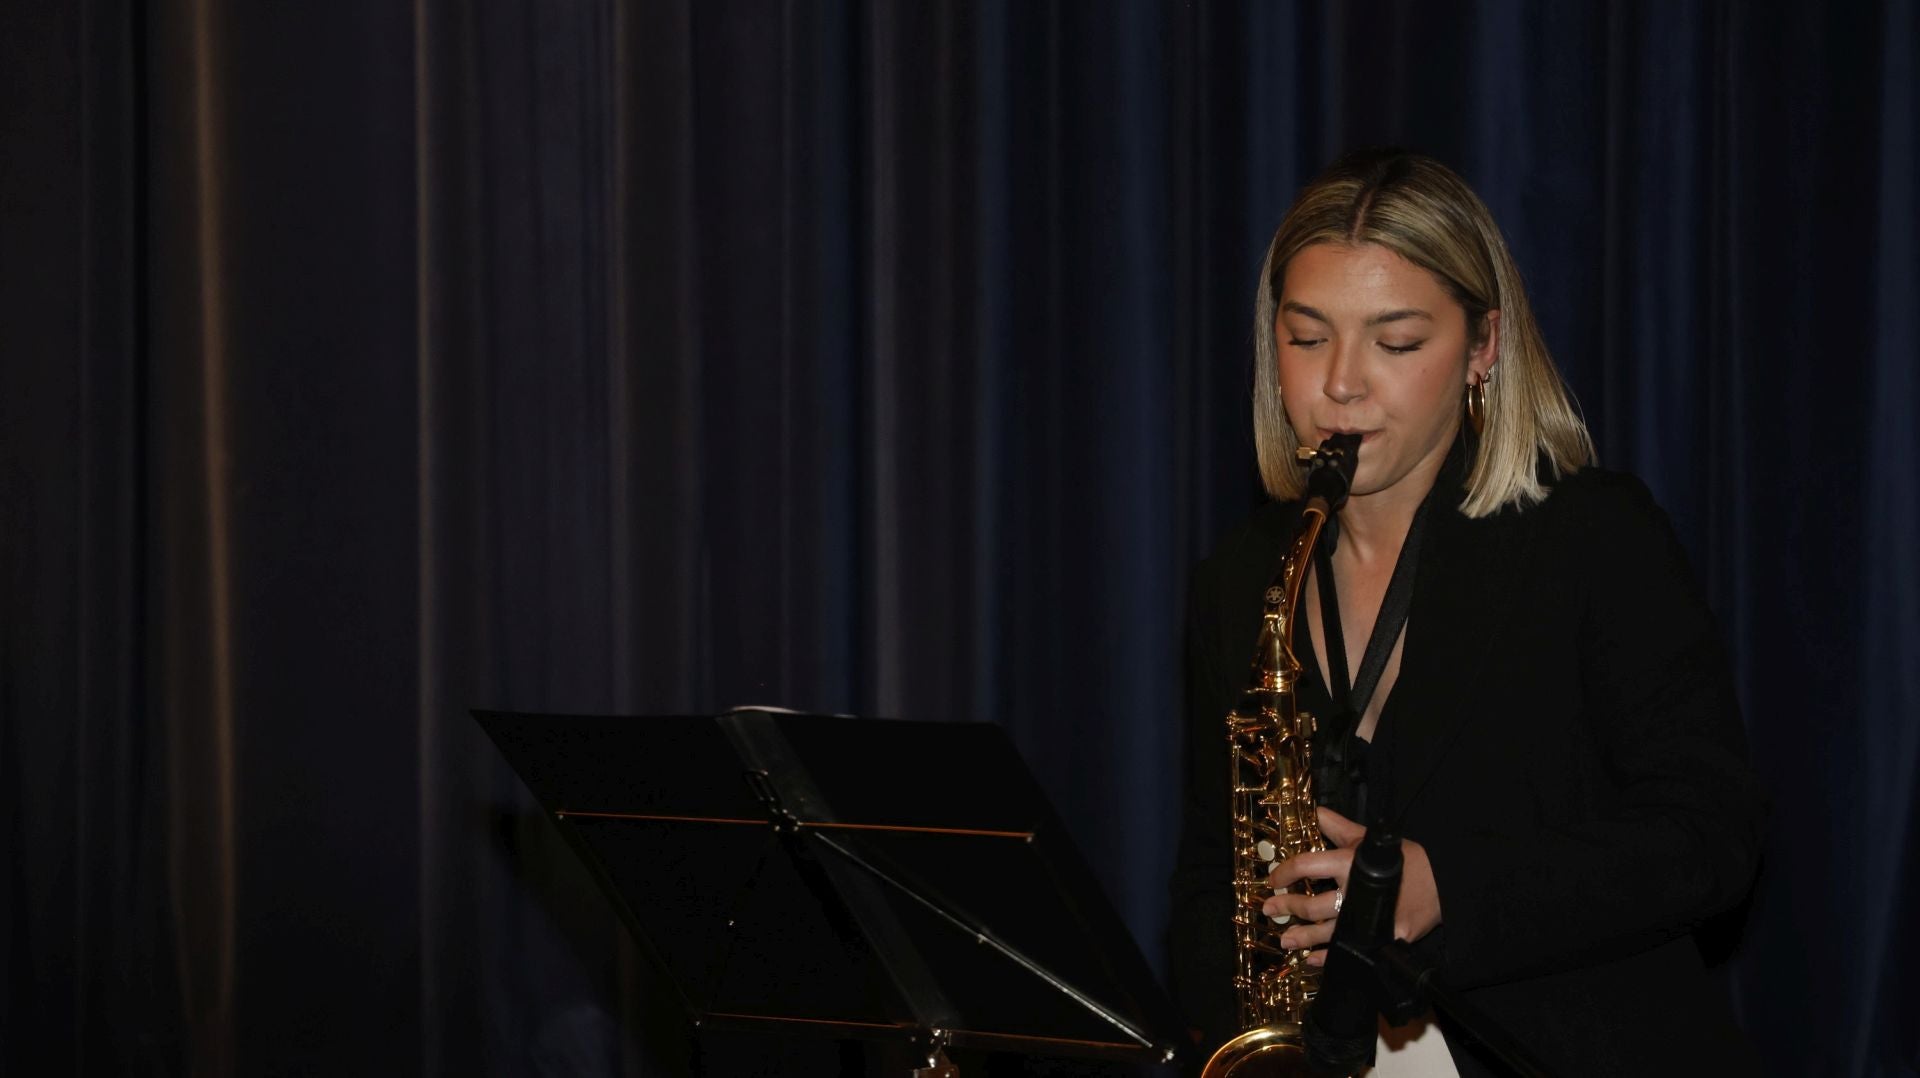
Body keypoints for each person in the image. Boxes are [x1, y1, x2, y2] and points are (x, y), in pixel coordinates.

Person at [1167, 150, 1765, 1076]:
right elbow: (1214, 877)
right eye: (1307, 335)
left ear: (1483, 347)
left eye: (1396, 342)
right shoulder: (1244, 579)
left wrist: (1449, 887)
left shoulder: (1591, 538)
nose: (1342, 385)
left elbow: (1710, 836)